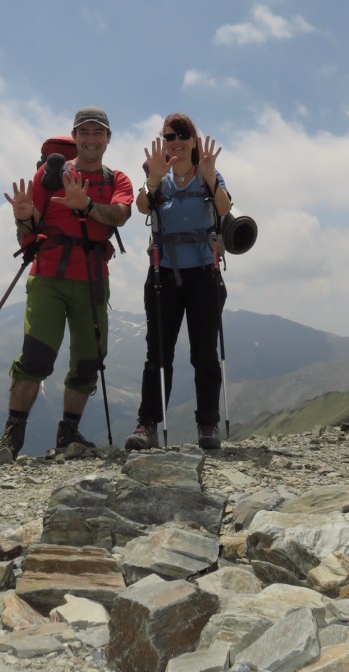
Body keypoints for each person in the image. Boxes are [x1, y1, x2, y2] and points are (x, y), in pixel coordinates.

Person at [0, 107, 134, 463]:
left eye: (97, 133)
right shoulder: (49, 175)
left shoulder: (118, 180)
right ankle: (12, 434)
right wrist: (22, 216)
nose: (90, 139)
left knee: (88, 361)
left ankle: (69, 431)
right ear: (75, 136)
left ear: (108, 139)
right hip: (49, 276)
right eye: (84, 132)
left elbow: (120, 215)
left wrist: (85, 205)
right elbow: (31, 227)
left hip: (92, 278)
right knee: (37, 357)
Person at [125, 113, 232, 451]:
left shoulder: (207, 175)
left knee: (204, 353)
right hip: (164, 277)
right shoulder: (158, 176)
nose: (176, 141)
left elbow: (225, 209)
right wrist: (154, 179)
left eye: (183, 134)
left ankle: (207, 424)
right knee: (158, 354)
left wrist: (211, 177)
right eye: (170, 136)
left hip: (203, 274)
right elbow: (142, 206)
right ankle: (148, 425)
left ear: (194, 140)